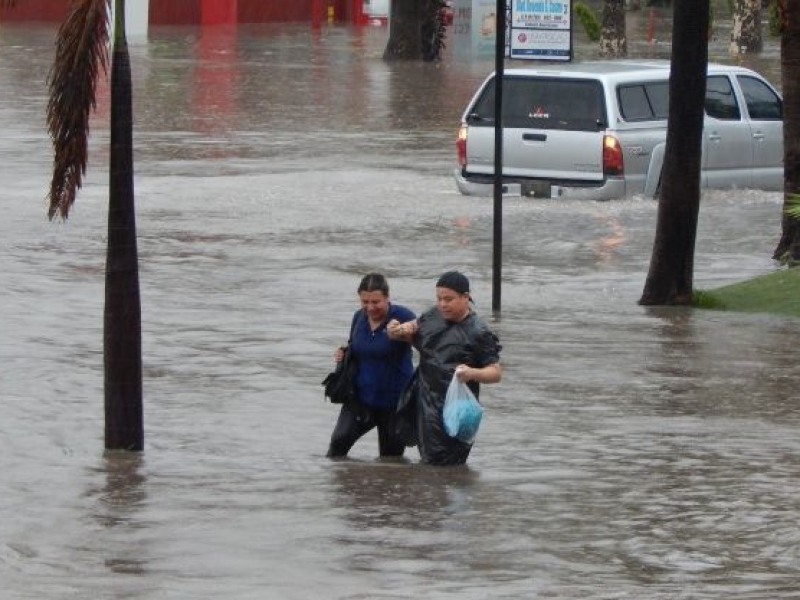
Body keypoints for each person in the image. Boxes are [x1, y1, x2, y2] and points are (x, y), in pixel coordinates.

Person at [388, 271, 502, 466]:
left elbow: (495, 373)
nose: (442, 304)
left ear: (465, 297)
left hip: (457, 408)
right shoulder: (433, 315)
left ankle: (454, 492)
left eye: (448, 299)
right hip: (424, 399)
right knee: (429, 461)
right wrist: (397, 329)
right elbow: (414, 330)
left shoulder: (478, 331)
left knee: (448, 462)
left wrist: (472, 373)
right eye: (439, 299)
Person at [326, 273, 416, 458]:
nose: (370, 307)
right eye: (365, 302)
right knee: (337, 446)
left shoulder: (403, 316)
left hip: (394, 403)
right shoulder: (359, 317)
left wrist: (402, 333)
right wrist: (344, 352)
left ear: (387, 297)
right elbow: (355, 346)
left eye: (376, 302)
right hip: (360, 399)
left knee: (390, 462)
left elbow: (423, 344)